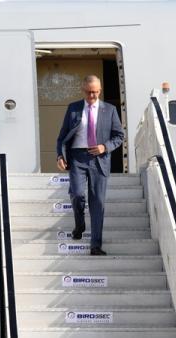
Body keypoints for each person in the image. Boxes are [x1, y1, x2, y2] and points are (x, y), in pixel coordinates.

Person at [56, 75, 124, 256]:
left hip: (99, 160)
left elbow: (119, 136)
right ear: (83, 90)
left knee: (98, 203)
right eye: (88, 92)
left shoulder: (109, 110)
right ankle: (80, 224)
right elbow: (62, 136)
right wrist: (60, 156)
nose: (92, 95)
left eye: (95, 92)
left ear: (100, 90)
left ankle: (95, 245)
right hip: (77, 158)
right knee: (77, 194)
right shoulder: (73, 108)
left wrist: (105, 147)